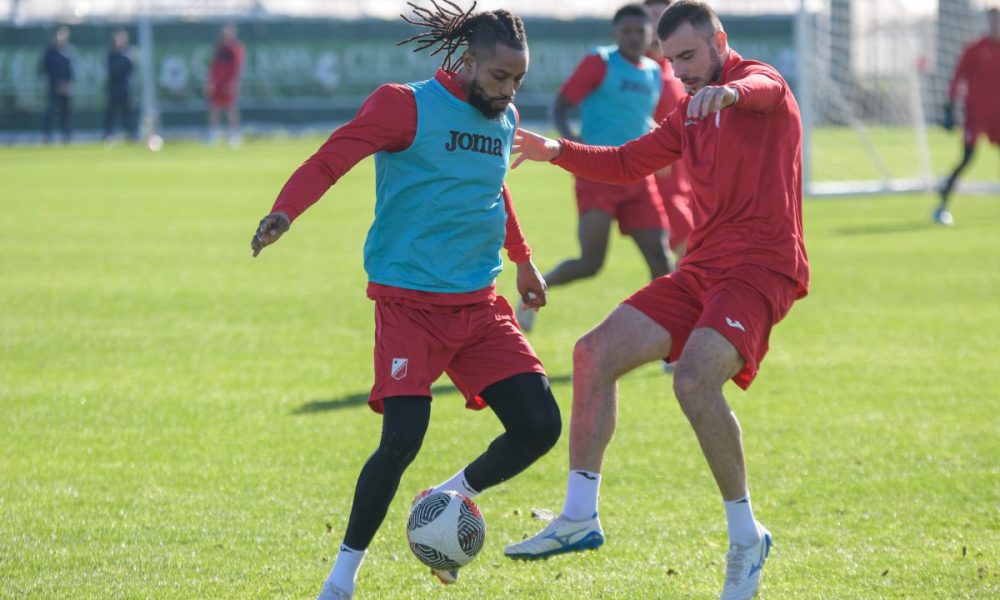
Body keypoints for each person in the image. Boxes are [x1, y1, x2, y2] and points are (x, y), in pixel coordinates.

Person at [249, 3, 561, 599]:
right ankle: (341, 580)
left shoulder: (504, 115)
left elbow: (494, 191)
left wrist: (523, 261)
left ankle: (448, 497)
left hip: (479, 307)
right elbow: (331, 158)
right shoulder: (404, 105)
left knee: (540, 424)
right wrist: (285, 210)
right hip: (410, 308)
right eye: (500, 76)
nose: (509, 89)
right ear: (467, 60)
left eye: (518, 79)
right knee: (401, 441)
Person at [502, 2, 809, 599]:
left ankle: (746, 537)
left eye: (691, 56)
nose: (683, 71)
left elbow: (762, 88)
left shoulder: (761, 82)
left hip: (758, 270)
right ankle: (579, 516)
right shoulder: (686, 111)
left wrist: (731, 94)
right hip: (701, 270)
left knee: (693, 380)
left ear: (720, 39)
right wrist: (556, 150)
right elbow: (626, 162)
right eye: (674, 61)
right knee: (593, 353)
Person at [515, 3, 673, 332]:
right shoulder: (599, 62)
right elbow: (561, 106)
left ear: (650, 35)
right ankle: (531, 294)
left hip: (638, 176)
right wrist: (573, 148)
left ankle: (670, 340)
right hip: (598, 174)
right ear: (616, 33)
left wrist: (659, 150)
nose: (632, 37)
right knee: (590, 263)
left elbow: (640, 116)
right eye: (626, 31)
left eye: (638, 32)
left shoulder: (654, 71)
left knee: (661, 259)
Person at [936, 6, 1000, 226]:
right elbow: (957, 78)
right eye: (992, 20)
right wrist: (949, 107)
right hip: (976, 114)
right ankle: (942, 205)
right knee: (967, 159)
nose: (995, 24)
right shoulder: (974, 49)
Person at [645, 0, 694, 258]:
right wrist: (655, 146)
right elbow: (627, 113)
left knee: (686, 255)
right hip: (659, 177)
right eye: (652, 17)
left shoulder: (674, 66)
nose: (657, 23)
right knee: (689, 247)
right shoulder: (638, 67)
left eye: (663, 16)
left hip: (685, 175)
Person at [206, 23, 245, 147]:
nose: (227, 33)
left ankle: (234, 135)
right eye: (225, 30)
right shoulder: (219, 47)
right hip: (218, 83)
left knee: (231, 108)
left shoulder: (237, 48)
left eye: (230, 30)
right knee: (215, 108)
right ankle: (213, 135)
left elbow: (238, 67)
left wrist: (234, 82)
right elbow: (213, 66)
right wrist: (210, 81)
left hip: (229, 83)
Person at [40, 25, 73, 143]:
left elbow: (71, 70)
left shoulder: (68, 50)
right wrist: (56, 83)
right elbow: (44, 69)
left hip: (65, 87)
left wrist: (67, 83)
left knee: (66, 113)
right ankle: (47, 134)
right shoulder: (50, 52)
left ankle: (66, 135)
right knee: (51, 111)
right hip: (53, 86)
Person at [105, 29, 137, 142]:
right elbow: (112, 70)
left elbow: (130, 68)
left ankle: (131, 135)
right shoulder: (112, 53)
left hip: (126, 88)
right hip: (114, 88)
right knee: (111, 113)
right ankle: (108, 135)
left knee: (128, 113)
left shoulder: (129, 52)